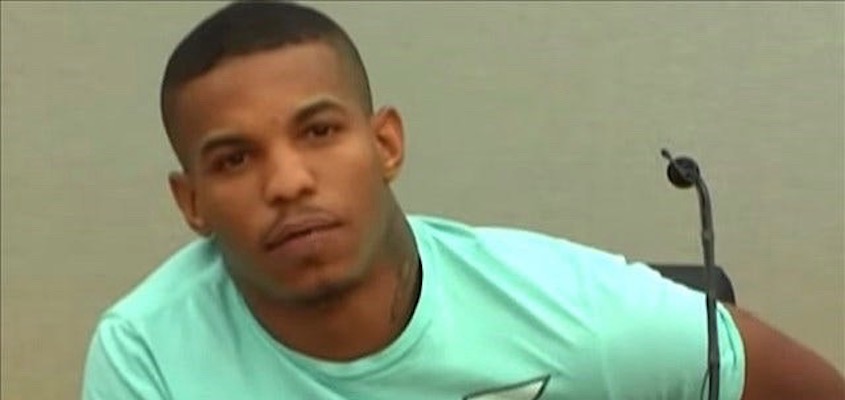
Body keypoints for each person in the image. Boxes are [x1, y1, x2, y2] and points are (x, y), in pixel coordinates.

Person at [81, 2, 845, 399]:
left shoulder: (563, 309)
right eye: (234, 159)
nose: (286, 182)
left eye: (318, 131)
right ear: (192, 202)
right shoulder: (147, 355)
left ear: (385, 144)